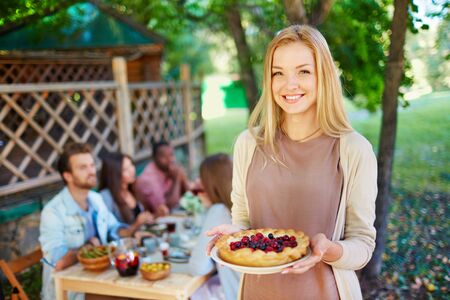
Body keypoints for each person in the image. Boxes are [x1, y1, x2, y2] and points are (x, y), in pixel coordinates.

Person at [207, 25, 377, 300]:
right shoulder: (247, 144)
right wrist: (235, 234)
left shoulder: (354, 149)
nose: (290, 84)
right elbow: (244, 220)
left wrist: (329, 249)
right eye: (278, 73)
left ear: (323, 76)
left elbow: (363, 245)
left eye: (303, 71)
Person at [39, 143, 140, 300]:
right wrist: (90, 247)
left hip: (99, 278)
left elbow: (114, 228)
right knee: (135, 295)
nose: (92, 171)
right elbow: (58, 261)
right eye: (83, 167)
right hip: (70, 291)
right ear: (68, 176)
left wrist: (133, 231)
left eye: (92, 165)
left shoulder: (96, 199)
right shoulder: (53, 212)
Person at [187, 154, 241, 300]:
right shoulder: (240, 207)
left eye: (201, 178)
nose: (198, 182)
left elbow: (197, 268)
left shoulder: (219, 210)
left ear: (211, 183)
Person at [99, 152, 154, 235]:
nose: (132, 170)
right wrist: (137, 224)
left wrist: (154, 216)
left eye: (131, 165)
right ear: (114, 174)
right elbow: (110, 231)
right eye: (125, 169)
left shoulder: (131, 188)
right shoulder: (106, 197)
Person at [134, 141, 190, 217]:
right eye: (164, 156)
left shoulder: (168, 170)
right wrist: (177, 179)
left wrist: (182, 178)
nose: (170, 159)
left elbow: (189, 196)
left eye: (171, 155)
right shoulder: (148, 179)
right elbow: (167, 208)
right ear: (154, 158)